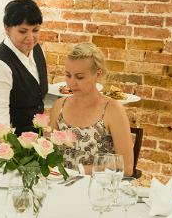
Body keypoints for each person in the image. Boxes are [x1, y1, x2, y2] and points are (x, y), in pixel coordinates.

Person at [48, 43, 133, 176]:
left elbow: (127, 167)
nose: (71, 83)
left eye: (79, 77)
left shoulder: (113, 110)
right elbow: (46, 153)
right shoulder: (59, 106)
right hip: (60, 186)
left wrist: (79, 172)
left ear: (97, 75)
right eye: (68, 75)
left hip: (97, 190)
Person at [0, 0, 48, 136]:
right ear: (7, 29)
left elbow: (35, 96)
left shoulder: (37, 51)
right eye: (23, 31)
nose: (31, 38)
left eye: (35, 30)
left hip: (29, 141)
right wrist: (9, 149)